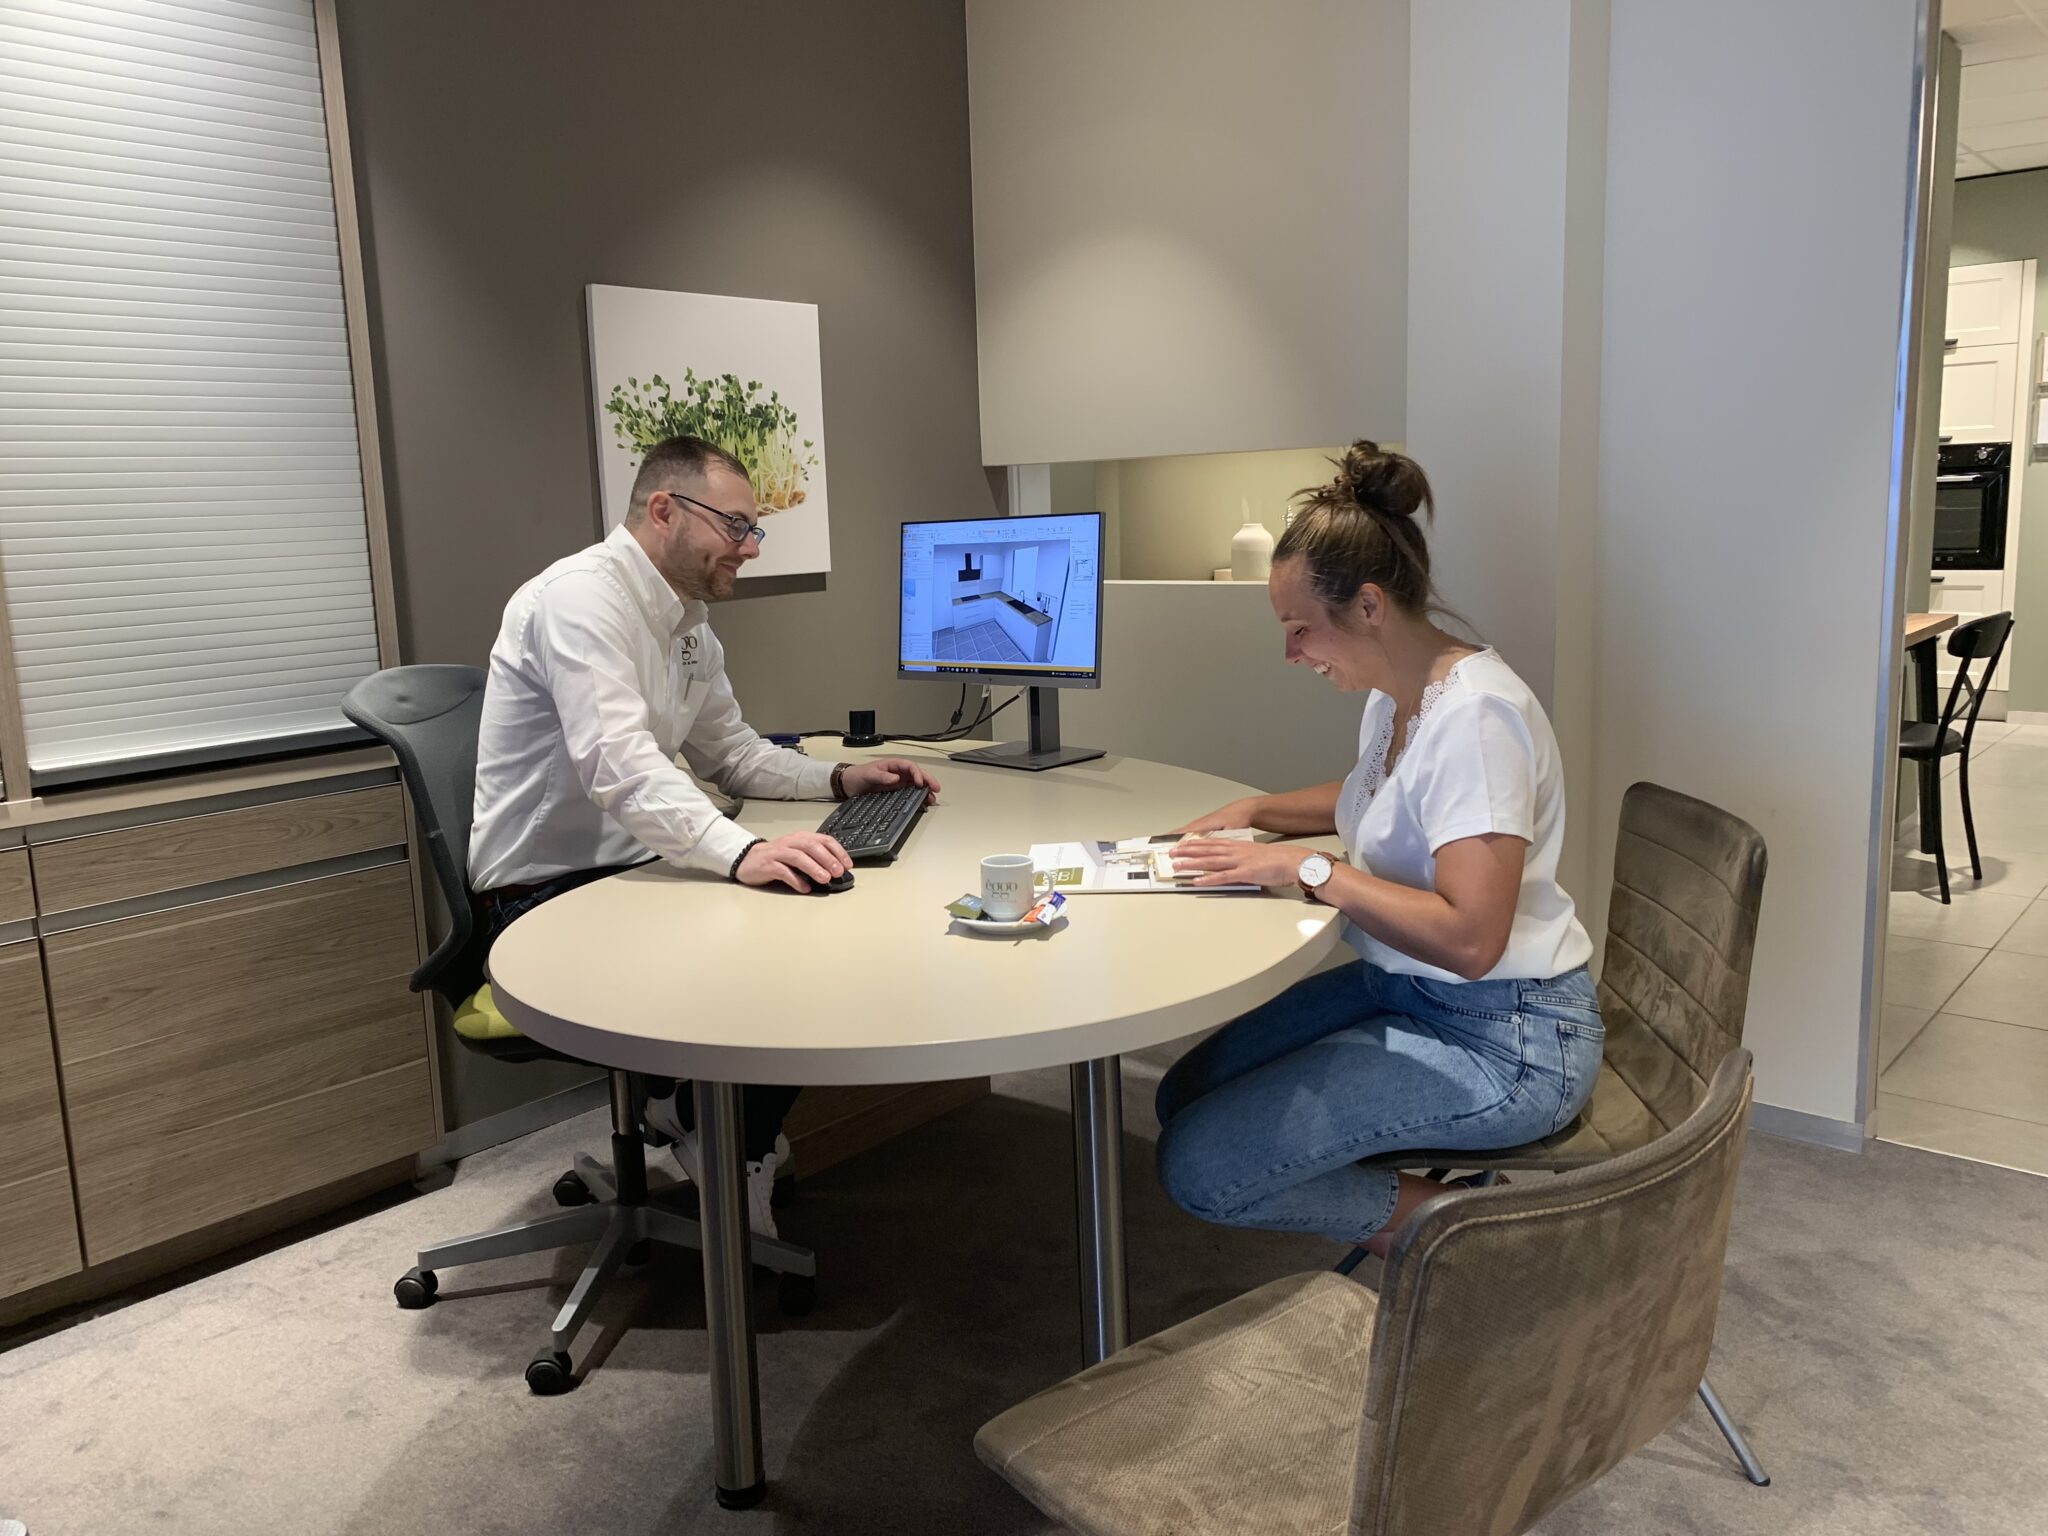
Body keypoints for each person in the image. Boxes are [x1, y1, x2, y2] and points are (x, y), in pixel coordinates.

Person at [469, 434, 939, 1235]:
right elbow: (619, 766)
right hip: (544, 893)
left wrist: (837, 779)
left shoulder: (686, 622)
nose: (751, 548)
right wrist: (745, 852)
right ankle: (716, 1133)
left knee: (823, 923)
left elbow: (735, 753)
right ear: (663, 511)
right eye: (737, 526)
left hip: (634, 866)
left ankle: (704, 1119)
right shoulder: (579, 602)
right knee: (770, 952)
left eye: (755, 530)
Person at [1153, 441, 1600, 1259]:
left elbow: (1472, 940)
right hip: (1407, 991)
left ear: (1366, 606)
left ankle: (1480, 1238)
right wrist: (1257, 810)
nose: (1291, 655)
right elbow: (1378, 795)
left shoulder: (1476, 719)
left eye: (1298, 630)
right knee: (1186, 1090)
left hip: (1509, 1036)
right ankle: (1425, 1203)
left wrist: (1311, 870)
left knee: (1201, 1166)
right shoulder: (1402, 699)